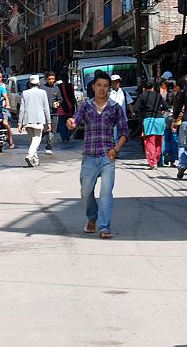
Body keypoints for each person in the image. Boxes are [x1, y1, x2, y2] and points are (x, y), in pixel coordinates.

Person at [66, 70, 129, 240]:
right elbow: (75, 121)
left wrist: (116, 150)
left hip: (107, 157)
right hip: (89, 157)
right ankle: (92, 218)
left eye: (106, 86)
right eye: (99, 85)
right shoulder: (85, 106)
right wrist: (71, 123)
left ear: (110, 89)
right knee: (86, 192)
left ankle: (104, 227)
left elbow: (124, 132)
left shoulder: (115, 108)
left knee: (106, 193)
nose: (102, 89)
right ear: (93, 87)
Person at [134, 77, 170, 169]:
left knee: (150, 142)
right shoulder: (158, 95)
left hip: (149, 120)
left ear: (144, 88)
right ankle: (157, 160)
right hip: (160, 120)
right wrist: (159, 110)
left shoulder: (142, 96)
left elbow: (136, 108)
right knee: (159, 141)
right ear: (153, 87)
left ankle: (153, 162)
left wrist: (144, 110)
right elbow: (166, 106)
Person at [18, 74, 52, 167]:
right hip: (39, 120)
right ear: (38, 83)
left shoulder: (24, 93)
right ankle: (30, 155)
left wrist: (19, 123)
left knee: (32, 141)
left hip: (27, 120)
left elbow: (22, 109)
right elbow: (46, 108)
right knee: (36, 139)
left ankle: (35, 160)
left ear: (29, 83)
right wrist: (49, 122)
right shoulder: (42, 93)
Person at [43, 71, 67, 154]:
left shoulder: (56, 88)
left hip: (54, 113)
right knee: (45, 130)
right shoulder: (42, 88)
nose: (51, 80)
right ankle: (37, 144)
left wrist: (58, 103)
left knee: (53, 131)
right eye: (49, 79)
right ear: (46, 79)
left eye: (53, 79)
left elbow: (60, 99)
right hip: (44, 113)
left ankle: (49, 147)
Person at [162, 78, 179, 166]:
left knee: (166, 138)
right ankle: (172, 159)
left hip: (165, 116)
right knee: (174, 138)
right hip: (174, 117)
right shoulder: (177, 95)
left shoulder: (164, 94)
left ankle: (166, 153)